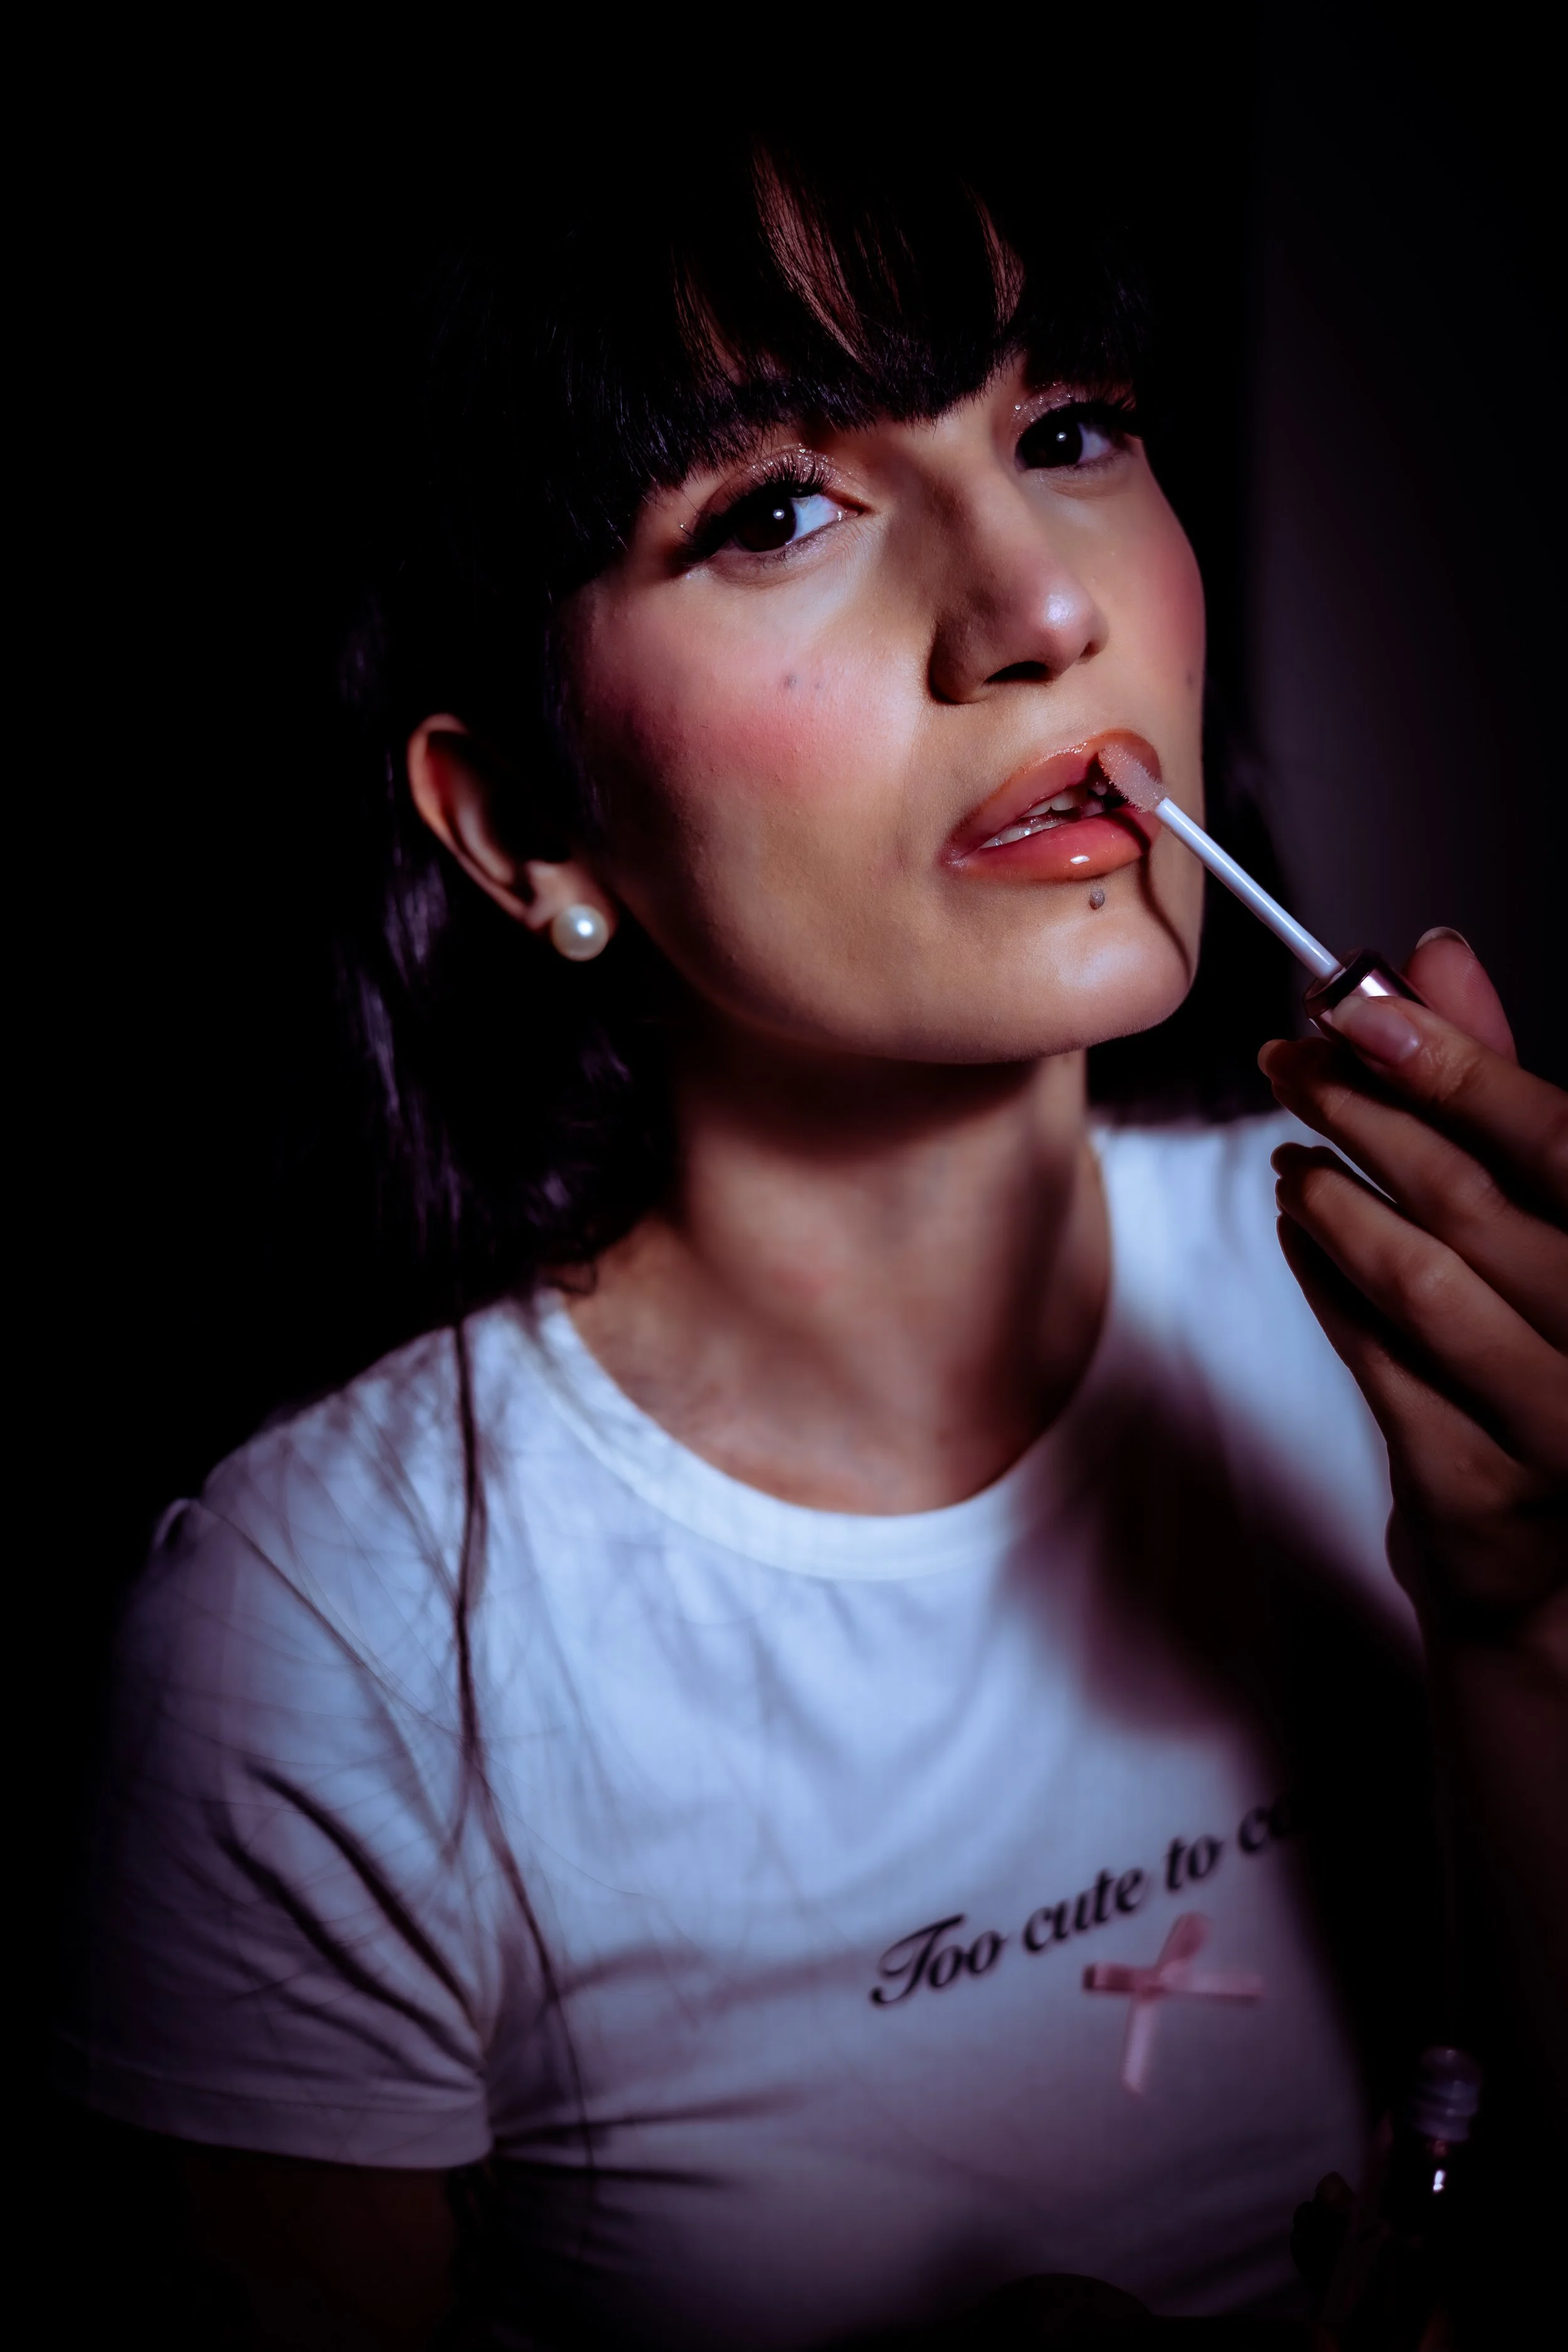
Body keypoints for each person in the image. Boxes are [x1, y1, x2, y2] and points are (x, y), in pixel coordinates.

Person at [56, 109, 1565, 2351]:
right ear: (525, 828)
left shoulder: (1399, 1323)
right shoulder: (332, 1648)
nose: (1037, 608)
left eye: (1065, 427)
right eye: (774, 510)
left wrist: (1519, 1613)